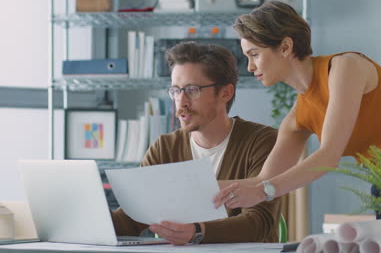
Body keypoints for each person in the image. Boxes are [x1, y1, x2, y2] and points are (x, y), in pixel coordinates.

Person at [213, 0, 381, 213]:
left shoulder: (345, 67)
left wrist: (264, 192)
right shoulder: (297, 119)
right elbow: (261, 179)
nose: (251, 67)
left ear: (285, 47)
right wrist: (198, 187)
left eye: (254, 54)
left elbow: (328, 156)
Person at [111, 42, 281, 245]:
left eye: (192, 90)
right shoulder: (165, 147)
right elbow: (133, 218)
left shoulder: (262, 141)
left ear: (225, 93)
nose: (181, 102)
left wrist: (198, 232)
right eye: (175, 90)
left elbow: (259, 222)